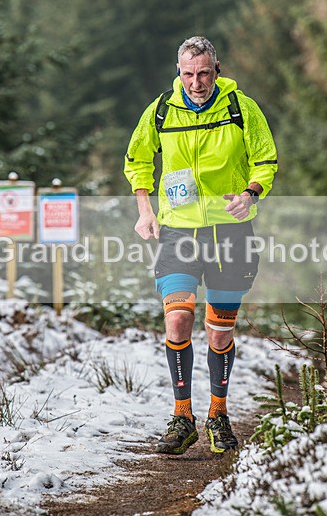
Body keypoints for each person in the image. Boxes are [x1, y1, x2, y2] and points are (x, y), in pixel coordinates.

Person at [123, 36, 278, 454]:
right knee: (177, 320)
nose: (196, 82)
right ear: (179, 72)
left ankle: (219, 415)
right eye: (189, 74)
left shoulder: (240, 108)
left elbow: (266, 158)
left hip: (230, 232)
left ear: (217, 69)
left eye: (204, 72)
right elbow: (138, 159)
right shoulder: (160, 111)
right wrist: (144, 208)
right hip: (179, 232)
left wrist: (251, 193)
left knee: (219, 333)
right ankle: (182, 416)